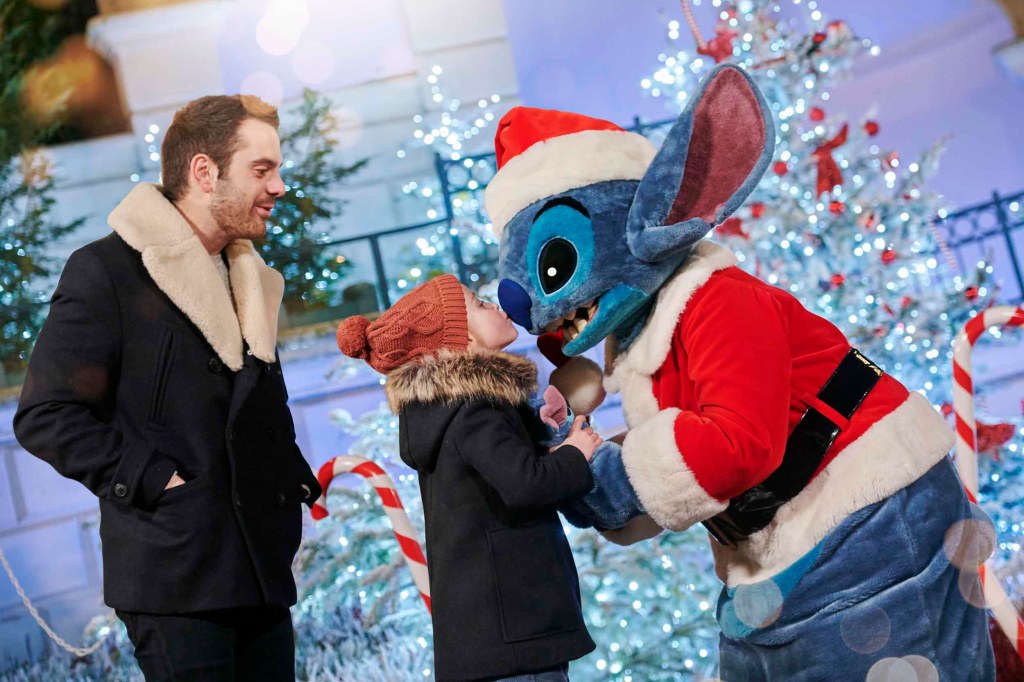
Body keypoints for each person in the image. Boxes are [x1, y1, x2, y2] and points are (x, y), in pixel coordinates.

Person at [14, 94, 321, 681]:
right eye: (262, 170)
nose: (279, 186)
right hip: (176, 572)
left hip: (258, 569)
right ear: (204, 172)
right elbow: (46, 414)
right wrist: (158, 479)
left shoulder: (249, 276)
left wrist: (289, 473)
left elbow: (244, 409)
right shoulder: (106, 271)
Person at [336, 275, 600, 682]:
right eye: (479, 304)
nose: (495, 306)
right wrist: (574, 453)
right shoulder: (475, 408)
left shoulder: (451, 410)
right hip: (513, 631)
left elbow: (496, 477)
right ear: (459, 341)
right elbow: (524, 485)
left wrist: (540, 435)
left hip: (494, 636)